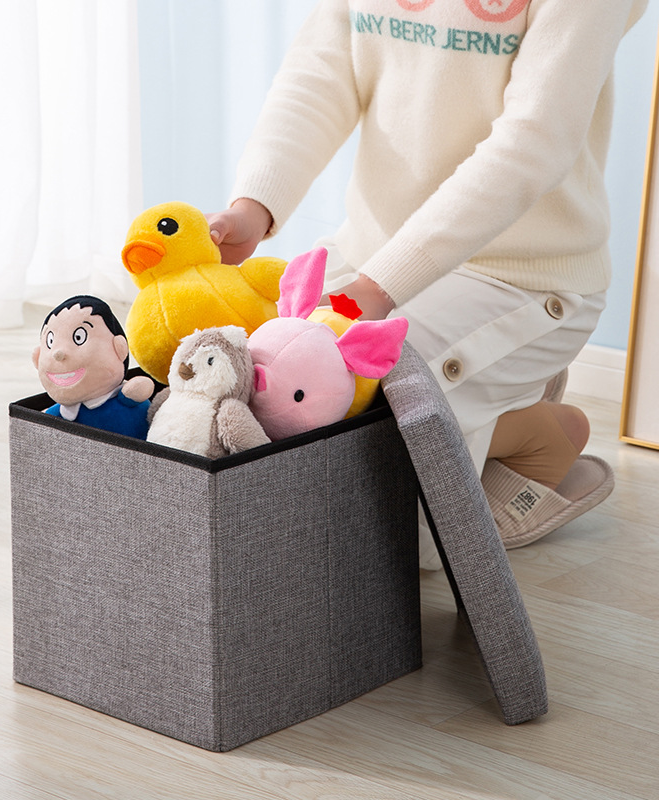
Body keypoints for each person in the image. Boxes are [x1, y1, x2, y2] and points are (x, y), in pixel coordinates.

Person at [206, 0, 647, 556]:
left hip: (518, 275)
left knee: (391, 541)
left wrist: (378, 287)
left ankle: (534, 435)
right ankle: (488, 398)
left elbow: (535, 140)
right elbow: (321, 73)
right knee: (238, 377)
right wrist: (255, 205)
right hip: (371, 254)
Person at [33, 295, 153, 439]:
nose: (58, 354)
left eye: (79, 337)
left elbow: (140, 393)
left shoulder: (125, 399)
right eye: (50, 341)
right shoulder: (61, 412)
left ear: (119, 347)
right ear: (37, 357)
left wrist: (134, 392)